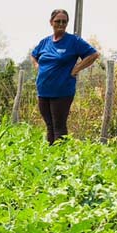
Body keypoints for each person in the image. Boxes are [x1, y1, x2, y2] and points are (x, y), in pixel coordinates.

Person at [30, 9, 100, 143]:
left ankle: (61, 159)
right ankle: (50, 156)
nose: (61, 24)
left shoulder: (73, 41)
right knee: (49, 126)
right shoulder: (45, 42)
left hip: (62, 91)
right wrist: (37, 66)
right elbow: (34, 55)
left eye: (64, 21)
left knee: (59, 127)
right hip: (43, 91)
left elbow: (93, 54)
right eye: (57, 21)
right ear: (51, 22)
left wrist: (76, 68)